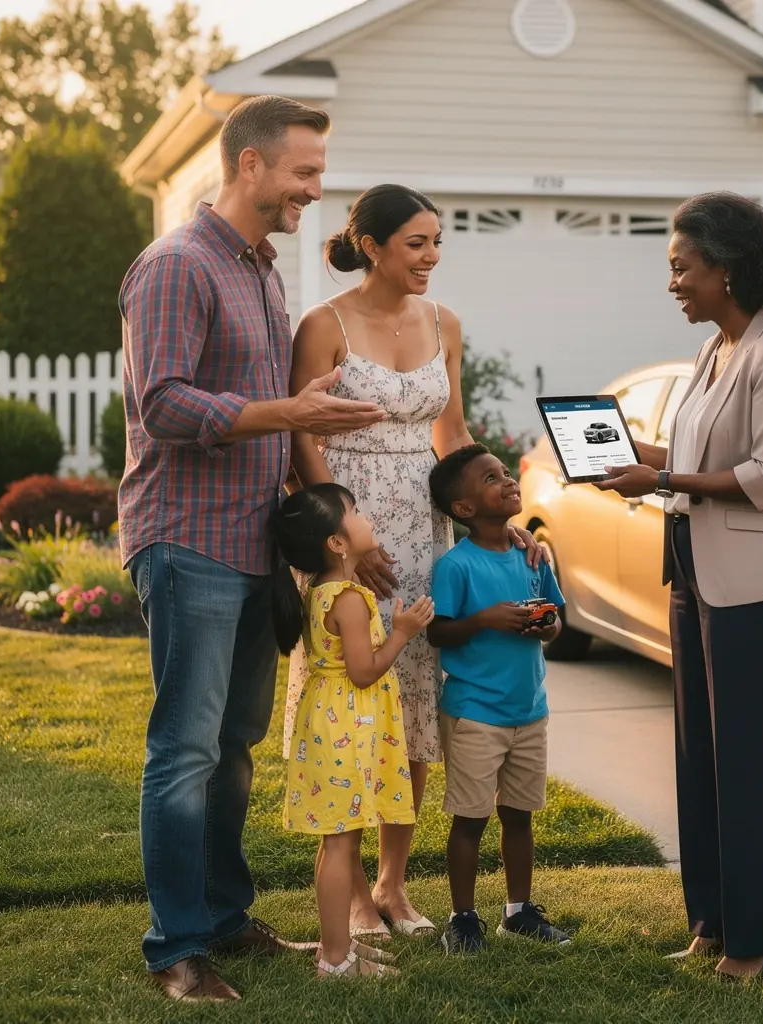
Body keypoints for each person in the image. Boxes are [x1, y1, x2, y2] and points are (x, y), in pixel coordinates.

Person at [118, 95, 387, 1003]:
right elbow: (163, 403)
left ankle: (224, 916)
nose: (315, 189)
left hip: (251, 542)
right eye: (304, 172)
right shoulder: (176, 265)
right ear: (250, 165)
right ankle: (177, 948)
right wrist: (288, 410)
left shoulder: (262, 271)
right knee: (185, 750)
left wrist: (310, 410)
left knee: (234, 744)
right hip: (186, 539)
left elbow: (262, 402)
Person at [287, 183, 542, 938]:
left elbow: (451, 434)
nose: (431, 257)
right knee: (354, 701)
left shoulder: (444, 322)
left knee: (415, 706)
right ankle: (351, 895)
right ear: (371, 246)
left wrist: (494, 521)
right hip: (347, 525)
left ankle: (394, 886)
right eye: (416, 243)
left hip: (425, 530)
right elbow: (301, 438)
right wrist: (349, 538)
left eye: (437, 243)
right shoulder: (323, 324)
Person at [597, 192, 763, 980]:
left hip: (762, 586)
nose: (673, 284)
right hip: (694, 569)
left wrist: (662, 479)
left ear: (726, 268)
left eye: (681, 267)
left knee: (749, 765)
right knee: (700, 758)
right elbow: (701, 454)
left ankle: (755, 943)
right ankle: (712, 923)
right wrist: (636, 454)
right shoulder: (714, 351)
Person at [270, 483, 435, 979]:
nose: (365, 516)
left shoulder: (320, 590)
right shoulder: (349, 600)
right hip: (347, 723)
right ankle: (336, 961)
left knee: (335, 841)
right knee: (342, 843)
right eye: (355, 511)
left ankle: (335, 947)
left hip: (329, 720)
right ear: (337, 543)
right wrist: (402, 632)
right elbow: (363, 672)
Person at [425, 444, 572, 954]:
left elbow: (555, 619)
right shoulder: (456, 566)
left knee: (519, 815)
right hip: (475, 714)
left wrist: (546, 626)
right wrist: (485, 620)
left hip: (529, 710)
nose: (508, 480)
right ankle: (463, 918)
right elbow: (438, 633)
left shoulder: (532, 555)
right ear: (463, 507)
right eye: (491, 478)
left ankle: (518, 911)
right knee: (470, 819)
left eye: (506, 472)